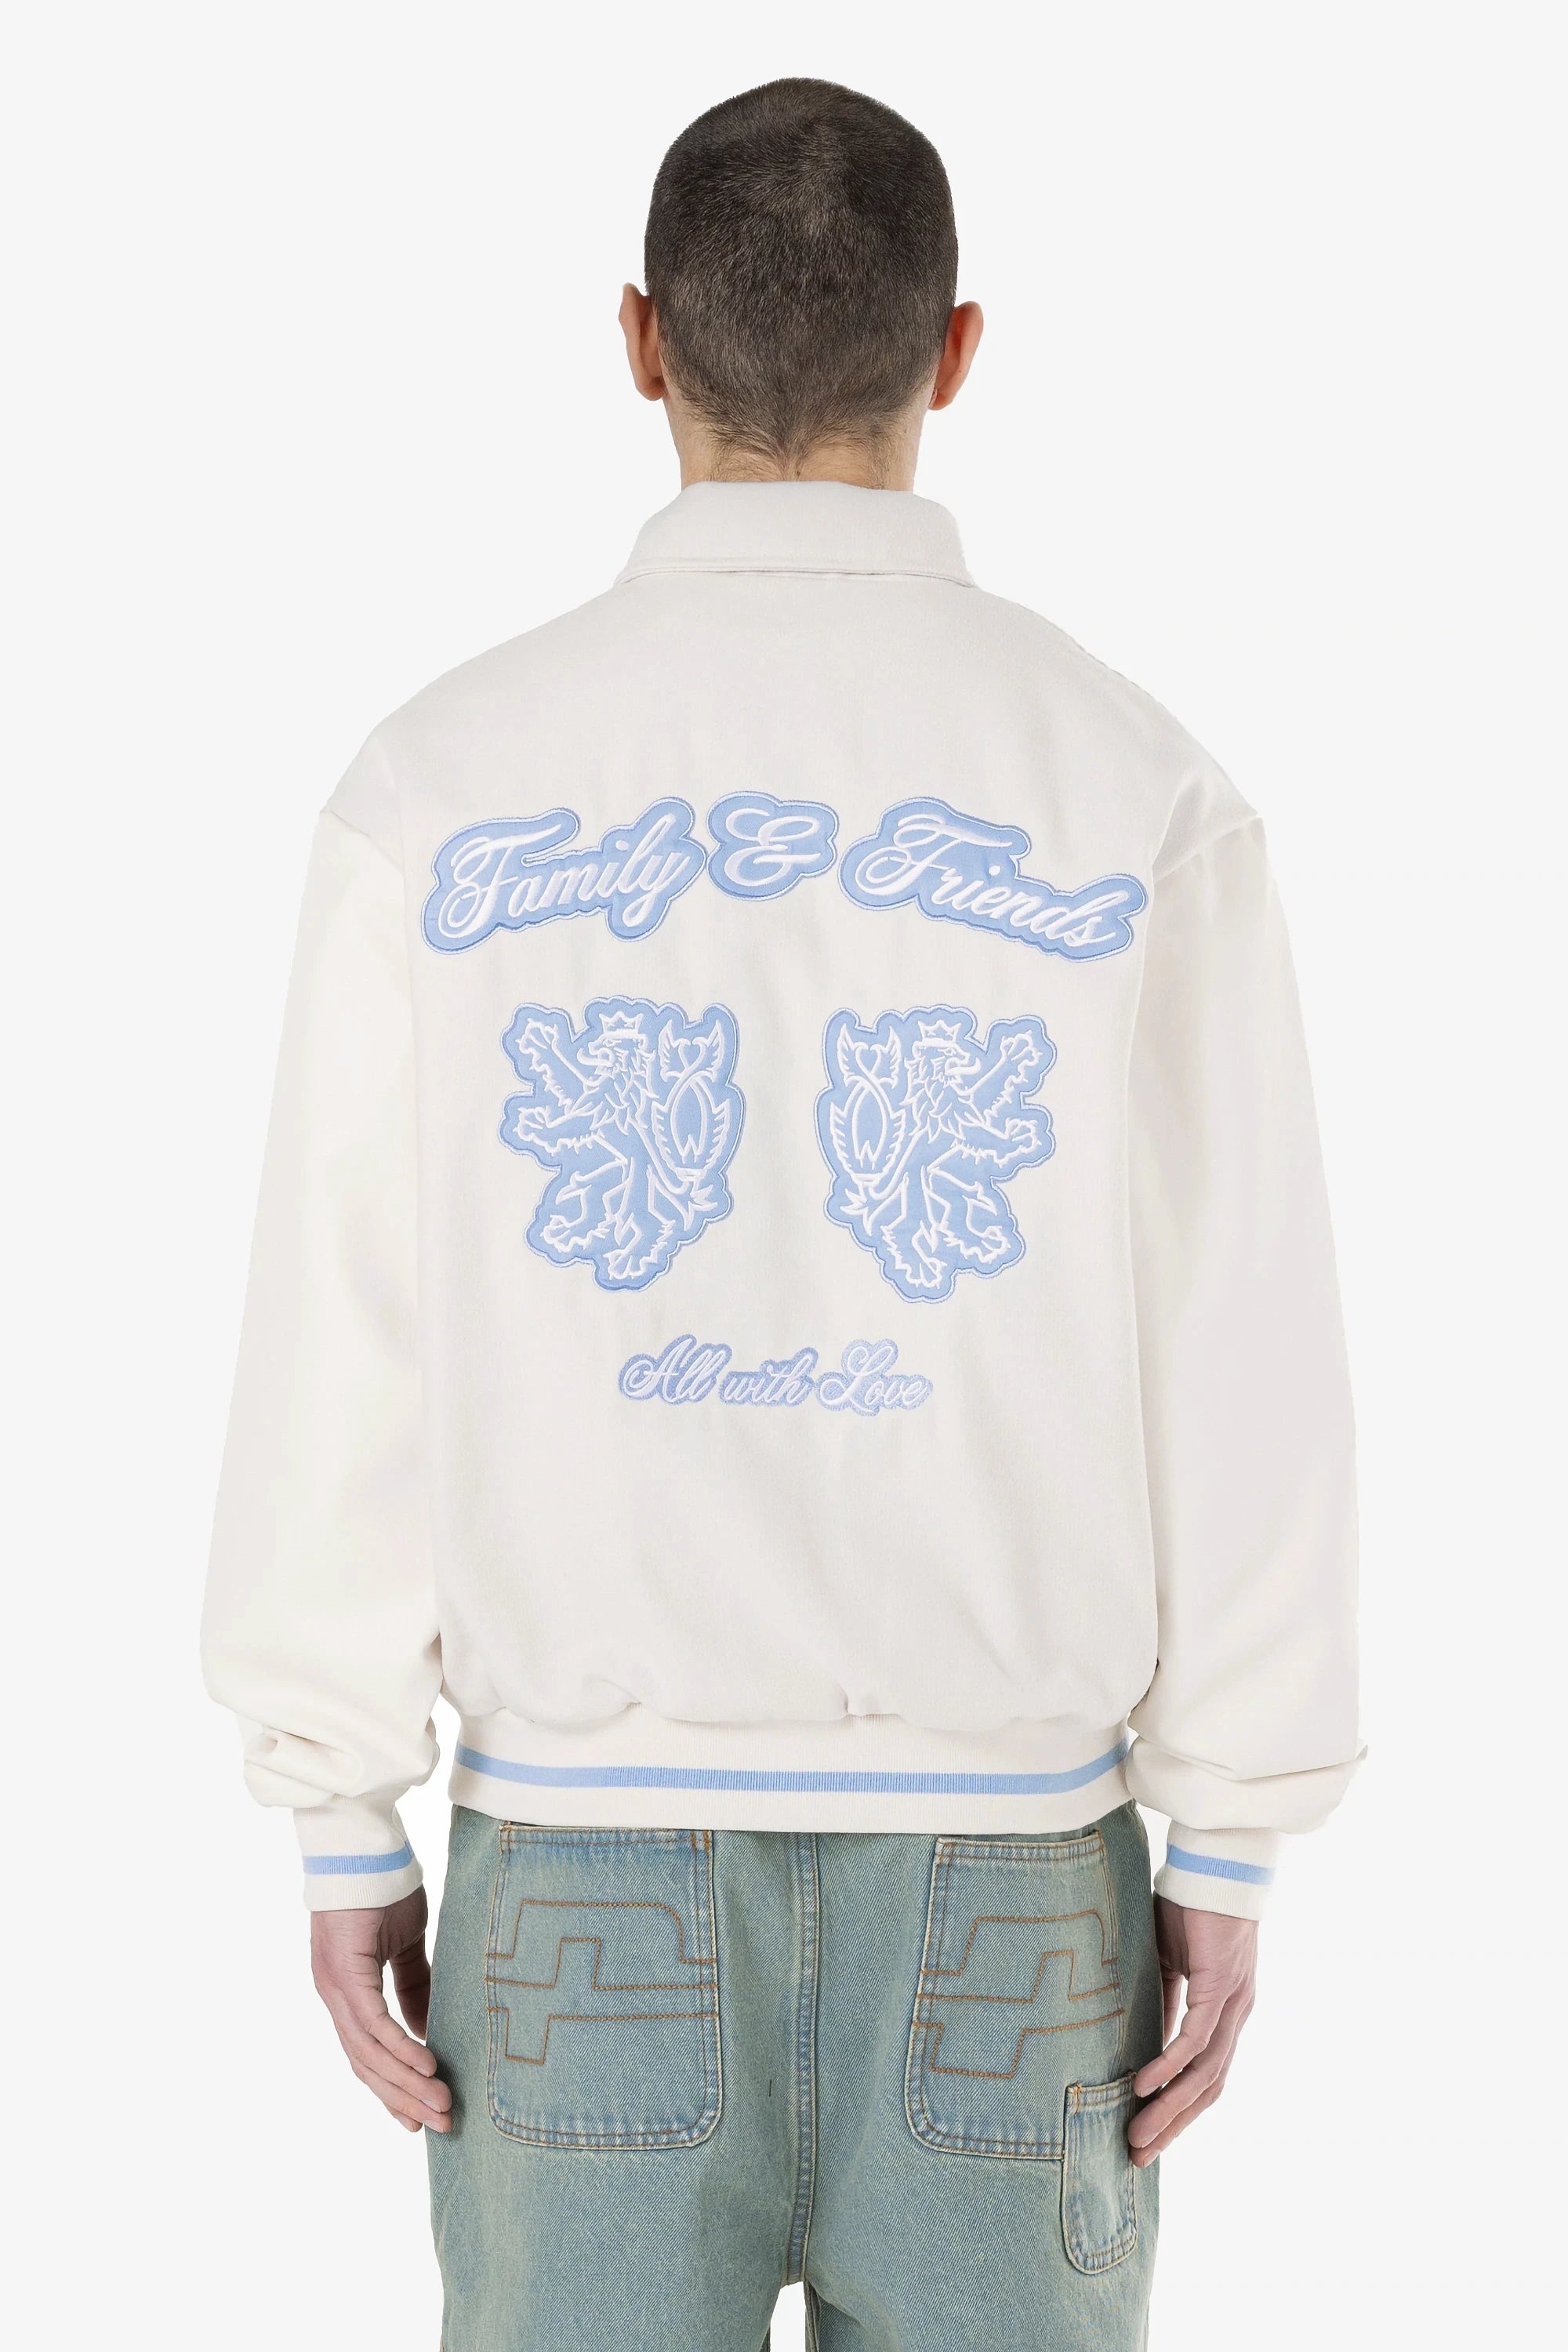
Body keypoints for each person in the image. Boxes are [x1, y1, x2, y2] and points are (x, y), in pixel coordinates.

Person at [204, 77, 1360, 2351]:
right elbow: (1242, 1333)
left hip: (578, 1867)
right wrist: (1230, 1824)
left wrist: (338, 1804)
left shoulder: (439, 783)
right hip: (1014, 1882)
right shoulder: (1134, 786)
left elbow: (347, 1323)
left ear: (638, 342)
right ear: (959, 353)